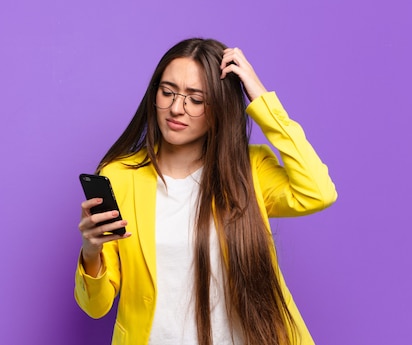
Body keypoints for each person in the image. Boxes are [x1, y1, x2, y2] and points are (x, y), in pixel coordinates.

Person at [74, 38, 337, 345]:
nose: (176, 108)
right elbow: (96, 306)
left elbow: (318, 192)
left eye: (195, 100)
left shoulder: (249, 170)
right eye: (167, 92)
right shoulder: (119, 176)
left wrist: (260, 97)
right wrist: (91, 252)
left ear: (219, 107)